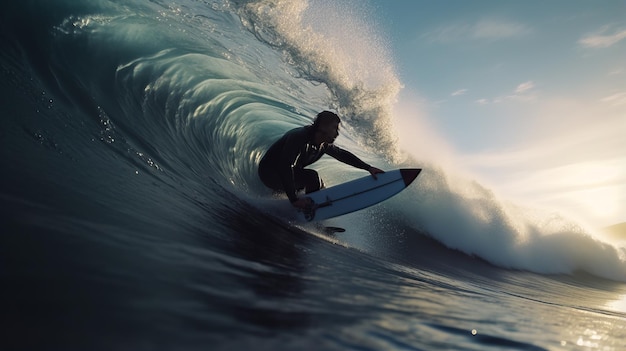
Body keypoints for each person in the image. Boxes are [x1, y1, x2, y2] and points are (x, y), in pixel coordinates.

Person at [258, 111, 384, 209]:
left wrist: (368, 168)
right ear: (323, 127)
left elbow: (342, 155)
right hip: (269, 174)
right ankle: (308, 208)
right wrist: (294, 200)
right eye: (335, 128)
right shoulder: (299, 137)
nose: (337, 133)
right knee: (312, 177)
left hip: (283, 175)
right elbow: (285, 166)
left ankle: (310, 206)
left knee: (319, 184)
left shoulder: (322, 144)